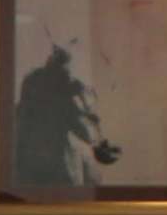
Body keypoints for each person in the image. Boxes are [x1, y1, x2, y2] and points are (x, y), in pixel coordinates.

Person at [8, 39, 123, 190]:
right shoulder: (67, 87)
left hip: (25, 170)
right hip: (58, 173)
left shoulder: (31, 81)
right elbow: (87, 131)